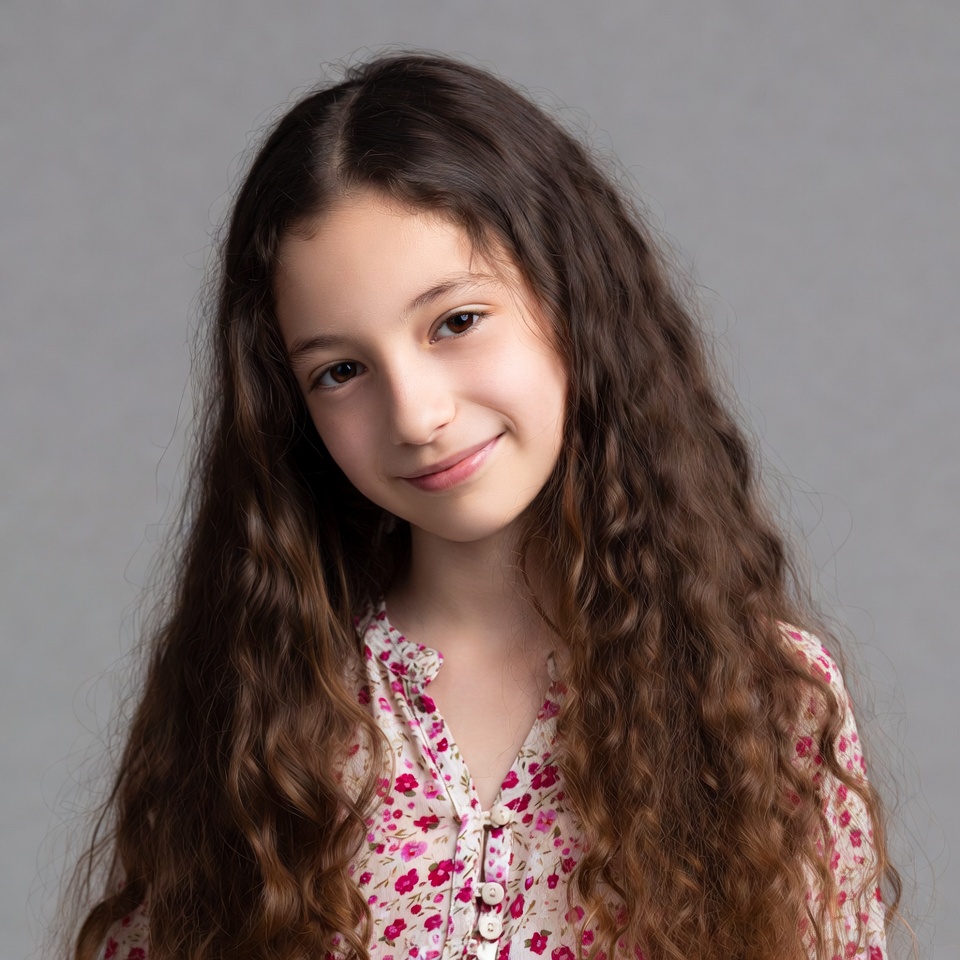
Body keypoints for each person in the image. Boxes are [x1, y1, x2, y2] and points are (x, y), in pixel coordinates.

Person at [64, 53, 900, 960]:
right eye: (340, 371)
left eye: (456, 321)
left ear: (572, 298)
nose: (417, 414)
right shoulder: (260, 711)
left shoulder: (769, 705)